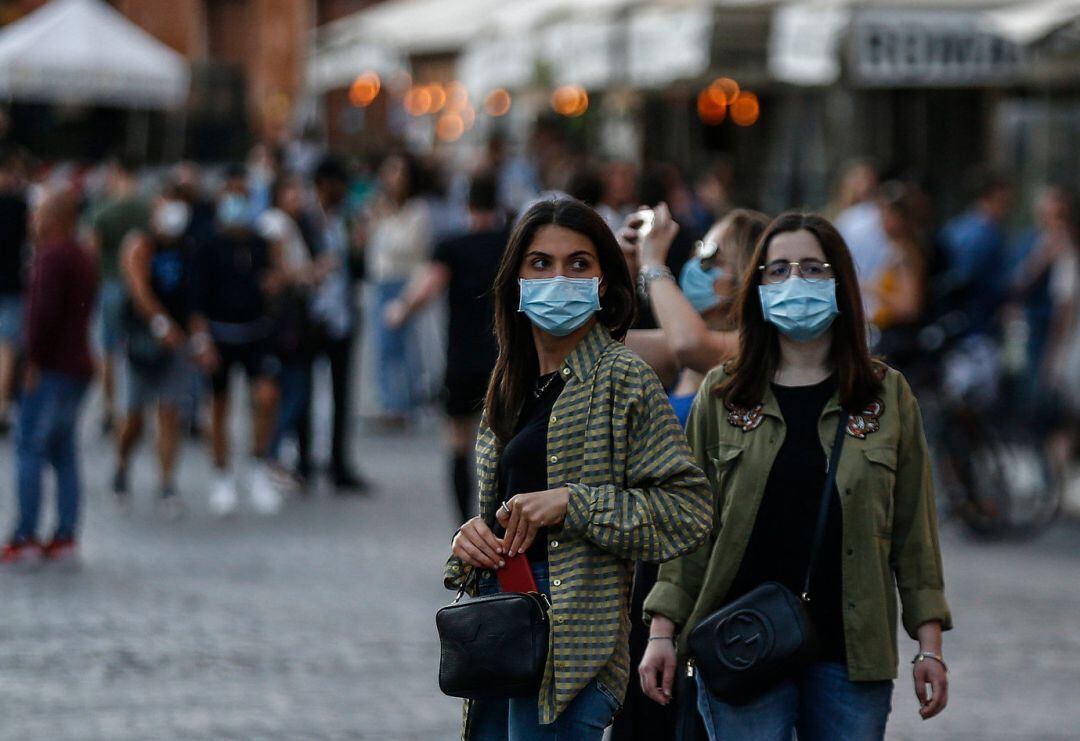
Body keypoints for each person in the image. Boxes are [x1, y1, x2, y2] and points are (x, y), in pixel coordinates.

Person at [641, 213, 953, 740]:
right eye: (778, 269)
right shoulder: (723, 393)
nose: (795, 282)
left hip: (851, 650)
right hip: (741, 638)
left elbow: (913, 534)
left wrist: (930, 648)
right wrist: (662, 631)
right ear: (758, 286)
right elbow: (689, 528)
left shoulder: (886, 395)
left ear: (840, 284)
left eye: (813, 268)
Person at [444, 197, 713, 740]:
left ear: (604, 282)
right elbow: (499, 511)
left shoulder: (623, 379)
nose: (559, 277)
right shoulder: (509, 378)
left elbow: (688, 510)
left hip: (576, 639)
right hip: (501, 623)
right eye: (541, 263)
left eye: (579, 264)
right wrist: (471, 540)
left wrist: (573, 502)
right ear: (515, 279)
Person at [614, 206, 767, 741]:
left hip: (713, 569)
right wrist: (622, 266)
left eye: (712, 256)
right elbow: (600, 346)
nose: (699, 265)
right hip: (653, 564)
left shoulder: (748, 350)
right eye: (698, 250)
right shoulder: (680, 358)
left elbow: (689, 343)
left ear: (746, 272)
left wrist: (656, 263)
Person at [383, 172, 507, 521]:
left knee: (458, 441)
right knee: (503, 444)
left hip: (463, 357)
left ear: (467, 206)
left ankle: (463, 525)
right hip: (505, 358)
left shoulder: (453, 246)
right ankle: (501, 522)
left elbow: (428, 287)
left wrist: (400, 310)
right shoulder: (511, 244)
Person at [1, 188, 97, 564]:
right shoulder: (81, 255)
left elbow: (43, 315)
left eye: (38, 213)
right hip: (78, 365)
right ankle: (65, 534)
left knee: (30, 448)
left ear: (55, 218)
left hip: (52, 368)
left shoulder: (51, 257)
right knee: (65, 452)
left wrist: (33, 362)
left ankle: (24, 533)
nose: (32, 220)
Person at [111, 187, 207, 516]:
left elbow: (194, 299)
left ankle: (167, 483)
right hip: (143, 341)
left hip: (176, 344)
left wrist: (198, 337)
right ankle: (122, 466)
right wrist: (161, 325)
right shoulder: (141, 243)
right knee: (135, 417)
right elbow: (138, 289)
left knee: (170, 412)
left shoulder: (187, 248)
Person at [195, 177, 284, 516]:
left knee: (265, 398)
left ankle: (258, 466)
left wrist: (276, 282)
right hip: (219, 333)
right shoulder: (207, 245)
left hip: (256, 333)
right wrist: (202, 339)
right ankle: (221, 475)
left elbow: (276, 281)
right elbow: (197, 300)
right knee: (218, 405)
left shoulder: (262, 243)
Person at [302, 156, 368, 491]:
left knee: (343, 395)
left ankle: (338, 463)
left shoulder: (348, 220)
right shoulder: (304, 220)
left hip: (342, 315)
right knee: (305, 392)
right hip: (310, 317)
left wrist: (360, 246)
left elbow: (359, 268)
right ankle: (303, 462)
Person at [258, 173, 326, 490]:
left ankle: (275, 452)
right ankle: (268, 451)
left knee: (295, 387)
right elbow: (279, 274)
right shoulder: (276, 225)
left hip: (295, 317)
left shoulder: (296, 225)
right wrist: (314, 272)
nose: (298, 197)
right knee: (294, 387)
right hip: (286, 319)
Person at [365, 153, 434, 426]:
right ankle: (388, 402)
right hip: (380, 281)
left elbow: (411, 248)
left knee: (405, 347)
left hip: (405, 281)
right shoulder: (380, 208)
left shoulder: (417, 212)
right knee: (382, 347)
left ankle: (405, 402)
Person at [89, 155, 151, 433]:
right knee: (140, 347)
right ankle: (138, 407)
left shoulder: (104, 208)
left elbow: (91, 248)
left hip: (112, 283)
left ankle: (109, 408)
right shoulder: (148, 206)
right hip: (141, 285)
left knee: (109, 351)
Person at [937, 167, 1015, 336]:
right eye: (1004, 202)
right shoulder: (983, 235)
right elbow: (965, 279)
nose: (1007, 209)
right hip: (973, 324)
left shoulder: (955, 228)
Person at [0, 148, 28, 433]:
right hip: (11, 285)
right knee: (6, 351)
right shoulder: (19, 206)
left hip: (10, 286)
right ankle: (2, 407)